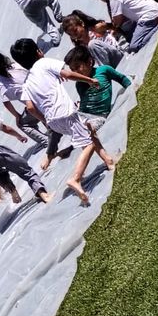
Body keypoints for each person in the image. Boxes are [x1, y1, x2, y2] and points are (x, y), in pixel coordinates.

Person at [11, 38, 114, 205]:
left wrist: (44, 121)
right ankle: (76, 179)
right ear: (39, 52)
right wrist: (89, 80)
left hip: (53, 121)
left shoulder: (27, 83)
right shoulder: (44, 63)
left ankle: (108, 161)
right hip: (65, 112)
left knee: (88, 134)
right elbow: (68, 74)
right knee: (88, 143)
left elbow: (30, 108)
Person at [0, 50, 56, 149]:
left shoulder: (1, 83)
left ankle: (46, 140)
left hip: (36, 105)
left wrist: (17, 116)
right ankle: (51, 128)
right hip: (48, 92)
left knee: (23, 123)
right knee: (34, 107)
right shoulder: (17, 65)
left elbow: (6, 102)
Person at [64, 45, 131, 130]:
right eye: (72, 70)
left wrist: (131, 87)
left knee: (90, 128)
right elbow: (85, 103)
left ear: (89, 62)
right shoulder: (79, 84)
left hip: (100, 116)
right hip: (85, 115)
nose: (75, 72)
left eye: (77, 67)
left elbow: (121, 78)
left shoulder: (104, 70)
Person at [62, 11, 127, 65]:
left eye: (75, 30)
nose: (75, 35)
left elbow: (117, 28)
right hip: (108, 65)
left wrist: (111, 31)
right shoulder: (82, 47)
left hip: (117, 55)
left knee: (92, 44)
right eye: (71, 34)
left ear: (82, 23)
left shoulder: (96, 29)